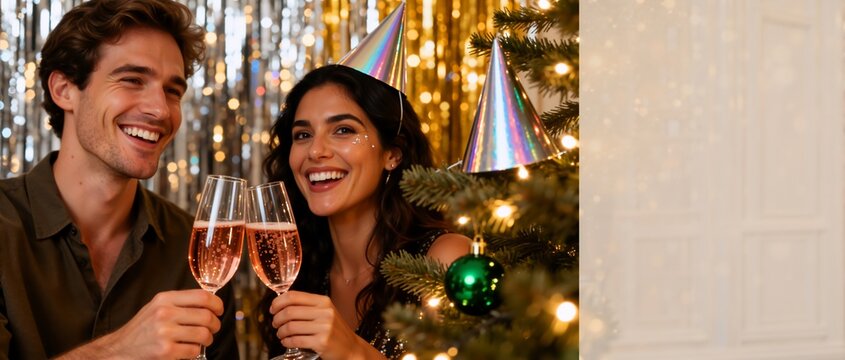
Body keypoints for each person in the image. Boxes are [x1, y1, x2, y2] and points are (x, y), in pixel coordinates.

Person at [0, 0, 239, 358]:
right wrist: (120, 350)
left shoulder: (198, 249)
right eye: (132, 80)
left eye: (172, 90)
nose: (159, 109)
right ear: (64, 90)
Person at [259, 64, 470, 359]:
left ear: (392, 154)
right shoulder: (300, 272)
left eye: (343, 130)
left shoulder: (445, 262)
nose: (315, 151)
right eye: (303, 134)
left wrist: (352, 352)